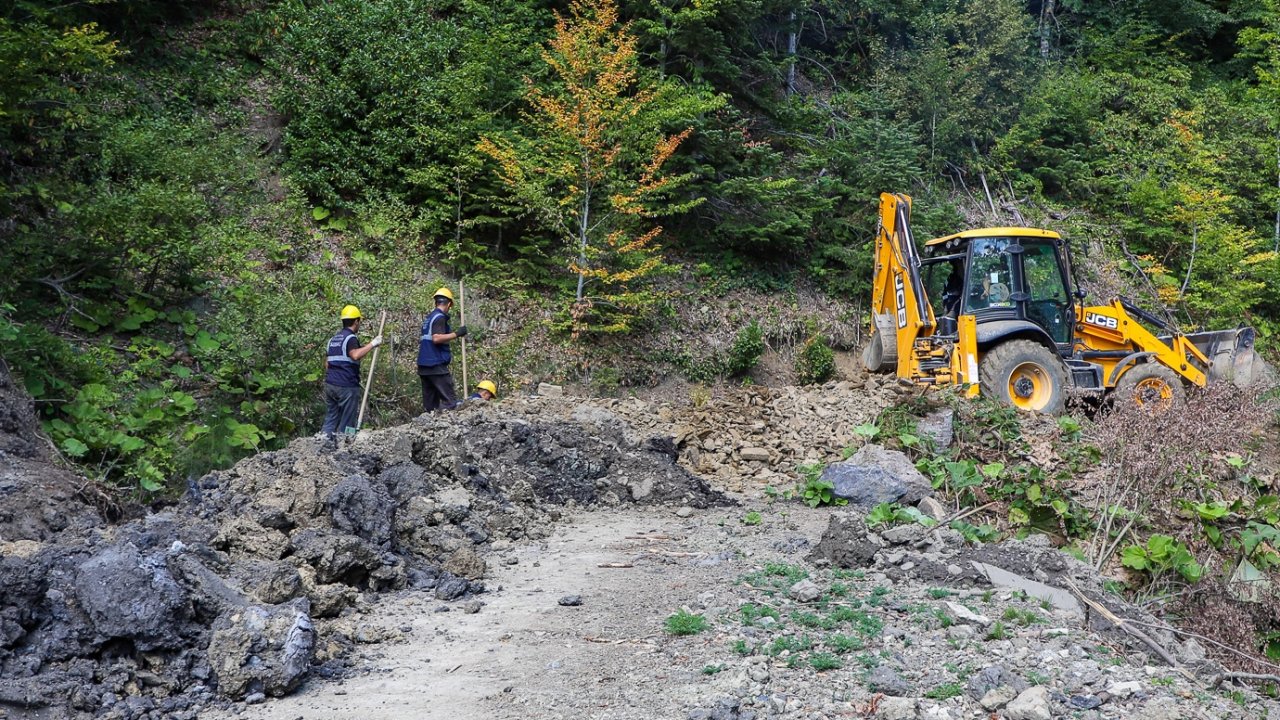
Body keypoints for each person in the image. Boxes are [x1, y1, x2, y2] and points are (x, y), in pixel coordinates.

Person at [322, 305, 382, 438]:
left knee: (331, 417)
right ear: (356, 321)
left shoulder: (333, 340)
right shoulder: (351, 338)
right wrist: (373, 344)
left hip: (330, 384)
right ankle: (345, 443)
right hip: (346, 385)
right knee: (348, 419)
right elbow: (355, 355)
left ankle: (322, 442)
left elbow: (327, 363)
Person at [417, 287, 467, 412]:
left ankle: (430, 422)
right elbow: (436, 338)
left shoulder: (429, 318)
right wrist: (457, 334)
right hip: (435, 364)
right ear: (449, 304)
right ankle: (446, 421)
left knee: (430, 406)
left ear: (436, 302)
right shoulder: (440, 317)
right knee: (450, 402)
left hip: (424, 365)